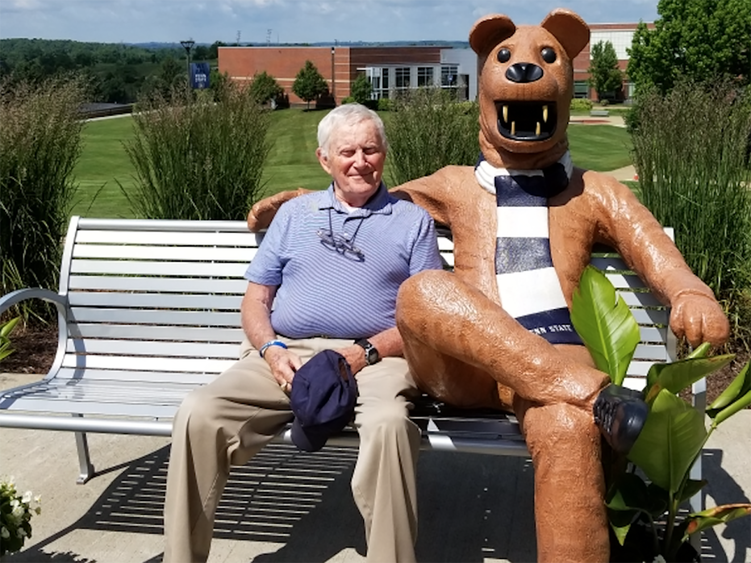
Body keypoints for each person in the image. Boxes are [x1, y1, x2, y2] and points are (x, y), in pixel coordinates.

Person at [163, 103, 443, 563]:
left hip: (375, 360)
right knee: (198, 412)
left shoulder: (411, 222)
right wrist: (272, 351)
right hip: (286, 354)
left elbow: (424, 316)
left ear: (384, 155)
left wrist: (363, 352)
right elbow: (256, 300)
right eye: (347, 151)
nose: (360, 161)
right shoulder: (295, 215)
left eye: (370, 149)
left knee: (390, 425)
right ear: (324, 159)